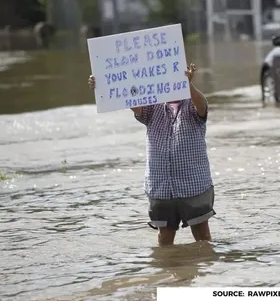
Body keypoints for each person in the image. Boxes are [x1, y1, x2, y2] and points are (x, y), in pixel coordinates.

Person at [88, 63, 215, 246]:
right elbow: (132, 102)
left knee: (203, 238)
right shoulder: (153, 106)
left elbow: (202, 104)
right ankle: (170, 274)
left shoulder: (192, 105)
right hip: (161, 186)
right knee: (165, 240)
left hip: (193, 185)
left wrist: (188, 85)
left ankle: (204, 273)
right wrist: (103, 85)